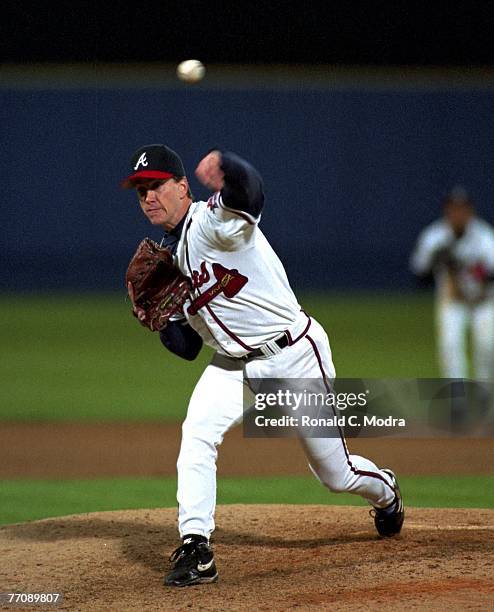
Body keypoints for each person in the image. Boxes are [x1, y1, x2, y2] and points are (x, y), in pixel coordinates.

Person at [122, 144, 404, 588]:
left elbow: (249, 194)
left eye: (156, 186)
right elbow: (186, 348)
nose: (148, 198)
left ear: (182, 187)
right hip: (232, 363)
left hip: (290, 354)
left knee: (335, 474)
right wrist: (154, 317)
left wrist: (229, 166)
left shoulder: (212, 223)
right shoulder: (168, 259)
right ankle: (197, 547)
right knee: (197, 432)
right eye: (140, 192)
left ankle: (386, 492)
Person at [410, 187, 494, 381]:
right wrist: (435, 261)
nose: (458, 214)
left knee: (486, 348)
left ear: (470, 212)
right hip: (452, 302)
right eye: (453, 209)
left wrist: (474, 274)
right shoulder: (434, 237)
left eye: (462, 209)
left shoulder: (485, 237)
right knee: (450, 348)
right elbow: (420, 277)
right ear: (446, 211)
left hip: (483, 302)